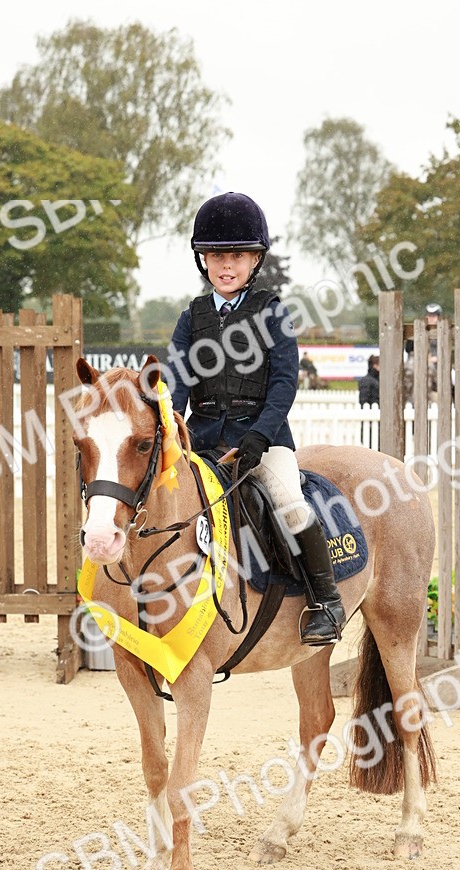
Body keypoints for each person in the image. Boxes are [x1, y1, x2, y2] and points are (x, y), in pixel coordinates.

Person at [168, 191, 346, 645]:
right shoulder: (192, 318)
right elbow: (178, 384)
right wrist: (172, 429)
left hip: (262, 441)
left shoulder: (271, 311)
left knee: (289, 501)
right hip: (203, 441)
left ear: (255, 260)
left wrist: (260, 436)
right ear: (203, 260)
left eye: (237, 256)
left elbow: (284, 383)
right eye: (216, 256)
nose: (226, 266)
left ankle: (326, 602)